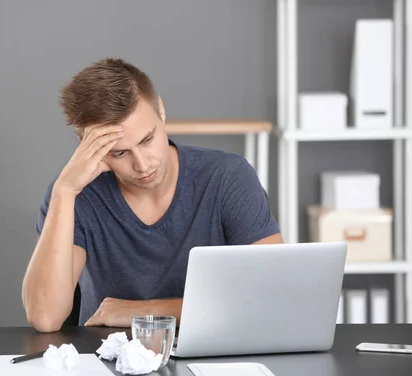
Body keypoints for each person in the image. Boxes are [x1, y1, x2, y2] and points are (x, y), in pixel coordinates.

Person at [22, 58, 283, 333]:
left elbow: (272, 294)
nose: (142, 165)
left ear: (160, 110)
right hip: (107, 363)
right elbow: (45, 317)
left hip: (214, 355)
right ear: (88, 147)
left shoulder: (228, 177)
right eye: (119, 153)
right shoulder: (75, 196)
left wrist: (142, 312)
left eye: (147, 140)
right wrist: (64, 191)